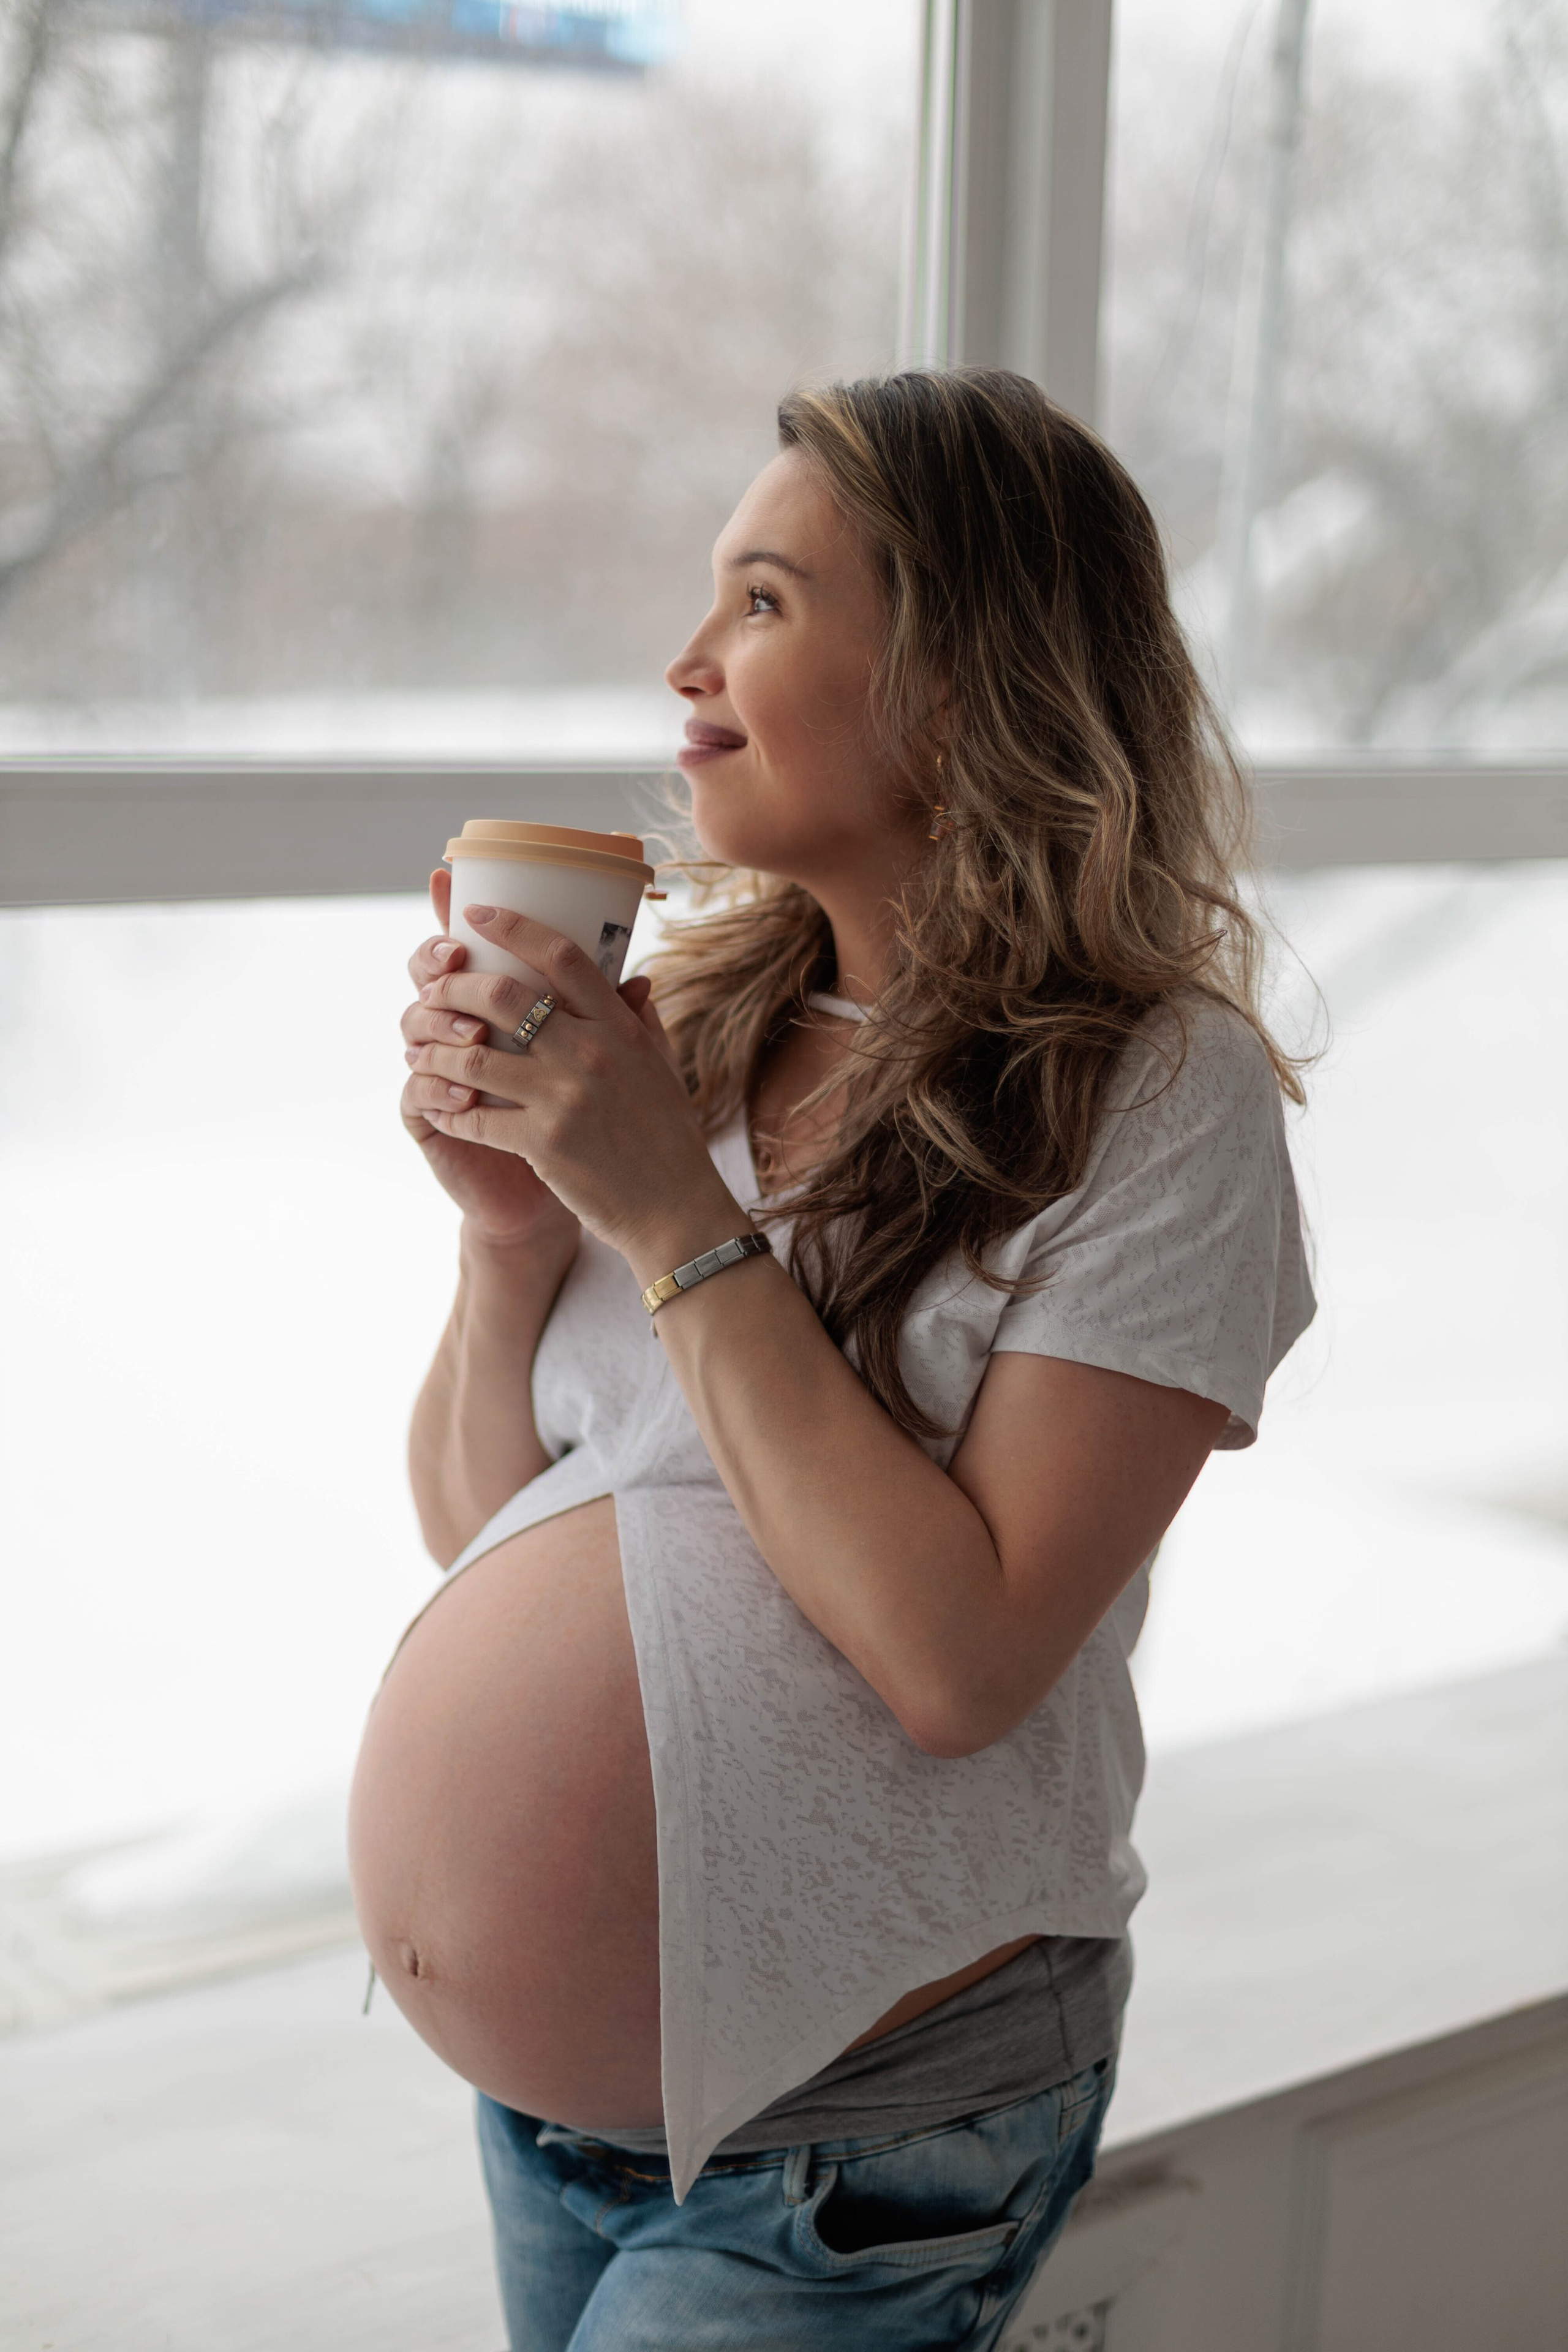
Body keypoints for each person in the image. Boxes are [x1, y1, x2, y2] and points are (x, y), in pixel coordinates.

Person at [348, 367, 1314, 2351]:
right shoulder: (694, 1024)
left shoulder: (1156, 1093)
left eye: (766, 601)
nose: (688, 659)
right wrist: (511, 1238)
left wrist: (666, 1217)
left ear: (960, 681)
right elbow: (489, 1533)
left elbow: (960, 1661)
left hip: (858, 2141)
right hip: (554, 2121)